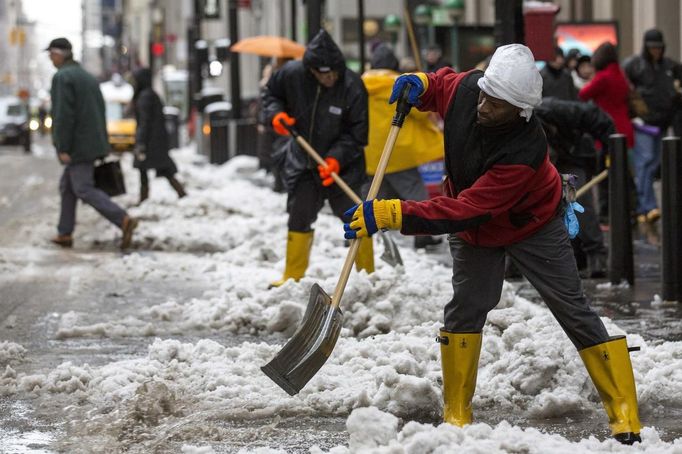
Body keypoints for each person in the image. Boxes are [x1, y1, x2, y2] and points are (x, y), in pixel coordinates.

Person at [343, 44, 641, 444]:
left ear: (520, 112)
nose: (483, 105)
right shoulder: (471, 91)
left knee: (571, 307)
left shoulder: (525, 150)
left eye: (495, 104)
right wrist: (419, 83)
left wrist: (394, 214)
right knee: (466, 309)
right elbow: (441, 84)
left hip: (532, 225)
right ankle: (457, 412)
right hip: (475, 230)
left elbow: (469, 208)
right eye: (484, 94)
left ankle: (623, 411)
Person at [261, 29, 373, 287]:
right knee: (299, 215)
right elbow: (271, 96)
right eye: (323, 74)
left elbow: (358, 134)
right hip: (304, 161)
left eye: (332, 73)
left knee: (356, 218)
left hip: (343, 167)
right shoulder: (291, 75)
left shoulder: (353, 86)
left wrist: (336, 159)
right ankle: (292, 276)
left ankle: (366, 276)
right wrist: (275, 115)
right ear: (311, 70)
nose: (329, 78)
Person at [46, 37, 138, 250]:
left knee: (84, 188)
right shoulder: (87, 77)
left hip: (77, 145)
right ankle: (64, 232)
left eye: (51, 54)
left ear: (59, 54)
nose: (50, 59)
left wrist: (63, 147)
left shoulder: (62, 77)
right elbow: (99, 110)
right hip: (91, 142)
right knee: (67, 187)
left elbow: (63, 115)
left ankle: (122, 219)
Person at [362, 44, 443, 249]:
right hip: (398, 150)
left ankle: (363, 235)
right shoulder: (398, 83)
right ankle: (423, 234)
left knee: (373, 195)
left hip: (369, 153)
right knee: (415, 194)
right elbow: (420, 112)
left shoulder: (360, 84)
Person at [535, 96, 615, 278]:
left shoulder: (552, 109)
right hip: (554, 159)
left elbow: (597, 117)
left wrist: (611, 152)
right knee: (556, 207)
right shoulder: (523, 132)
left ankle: (596, 255)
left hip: (574, 156)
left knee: (576, 203)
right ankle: (576, 257)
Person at [623, 29, 679, 225]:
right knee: (645, 163)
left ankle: (646, 205)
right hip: (643, 123)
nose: (656, 51)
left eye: (658, 47)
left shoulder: (669, 65)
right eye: (653, 48)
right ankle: (646, 206)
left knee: (653, 163)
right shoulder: (635, 65)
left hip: (661, 122)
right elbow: (625, 90)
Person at [580, 42, 636, 223]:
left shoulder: (603, 77)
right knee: (623, 171)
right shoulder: (621, 75)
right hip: (625, 128)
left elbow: (583, 94)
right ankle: (631, 209)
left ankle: (606, 212)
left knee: (606, 173)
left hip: (606, 129)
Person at [131, 67, 186, 204]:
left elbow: (144, 123)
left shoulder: (144, 97)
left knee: (145, 169)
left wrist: (140, 142)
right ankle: (180, 192)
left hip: (150, 142)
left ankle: (144, 197)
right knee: (163, 169)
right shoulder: (150, 94)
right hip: (156, 141)